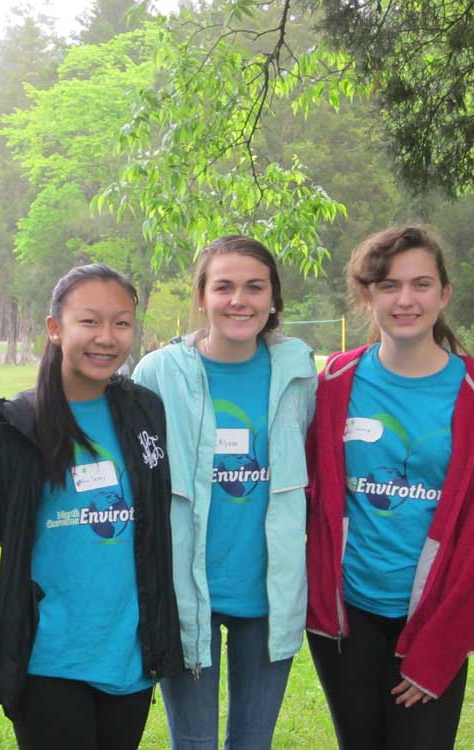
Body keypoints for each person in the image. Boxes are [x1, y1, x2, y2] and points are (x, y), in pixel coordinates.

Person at [306, 225, 474, 750]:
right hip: (346, 619)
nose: (405, 299)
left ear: (443, 294)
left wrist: (439, 652)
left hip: (431, 621)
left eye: (421, 284)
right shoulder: (334, 382)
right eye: (388, 285)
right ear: (367, 296)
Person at [0, 263, 183, 750]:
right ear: (55, 329)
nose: (106, 337)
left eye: (121, 323)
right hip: (51, 658)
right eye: (89, 321)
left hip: (129, 655)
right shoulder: (17, 424)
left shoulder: (144, 410)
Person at [132, 235, 316, 750]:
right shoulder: (159, 374)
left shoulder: (298, 372)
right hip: (186, 589)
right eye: (225, 286)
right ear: (201, 297)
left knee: (253, 743)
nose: (240, 300)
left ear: (273, 297)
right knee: (192, 743)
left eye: (255, 287)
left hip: (269, 589)